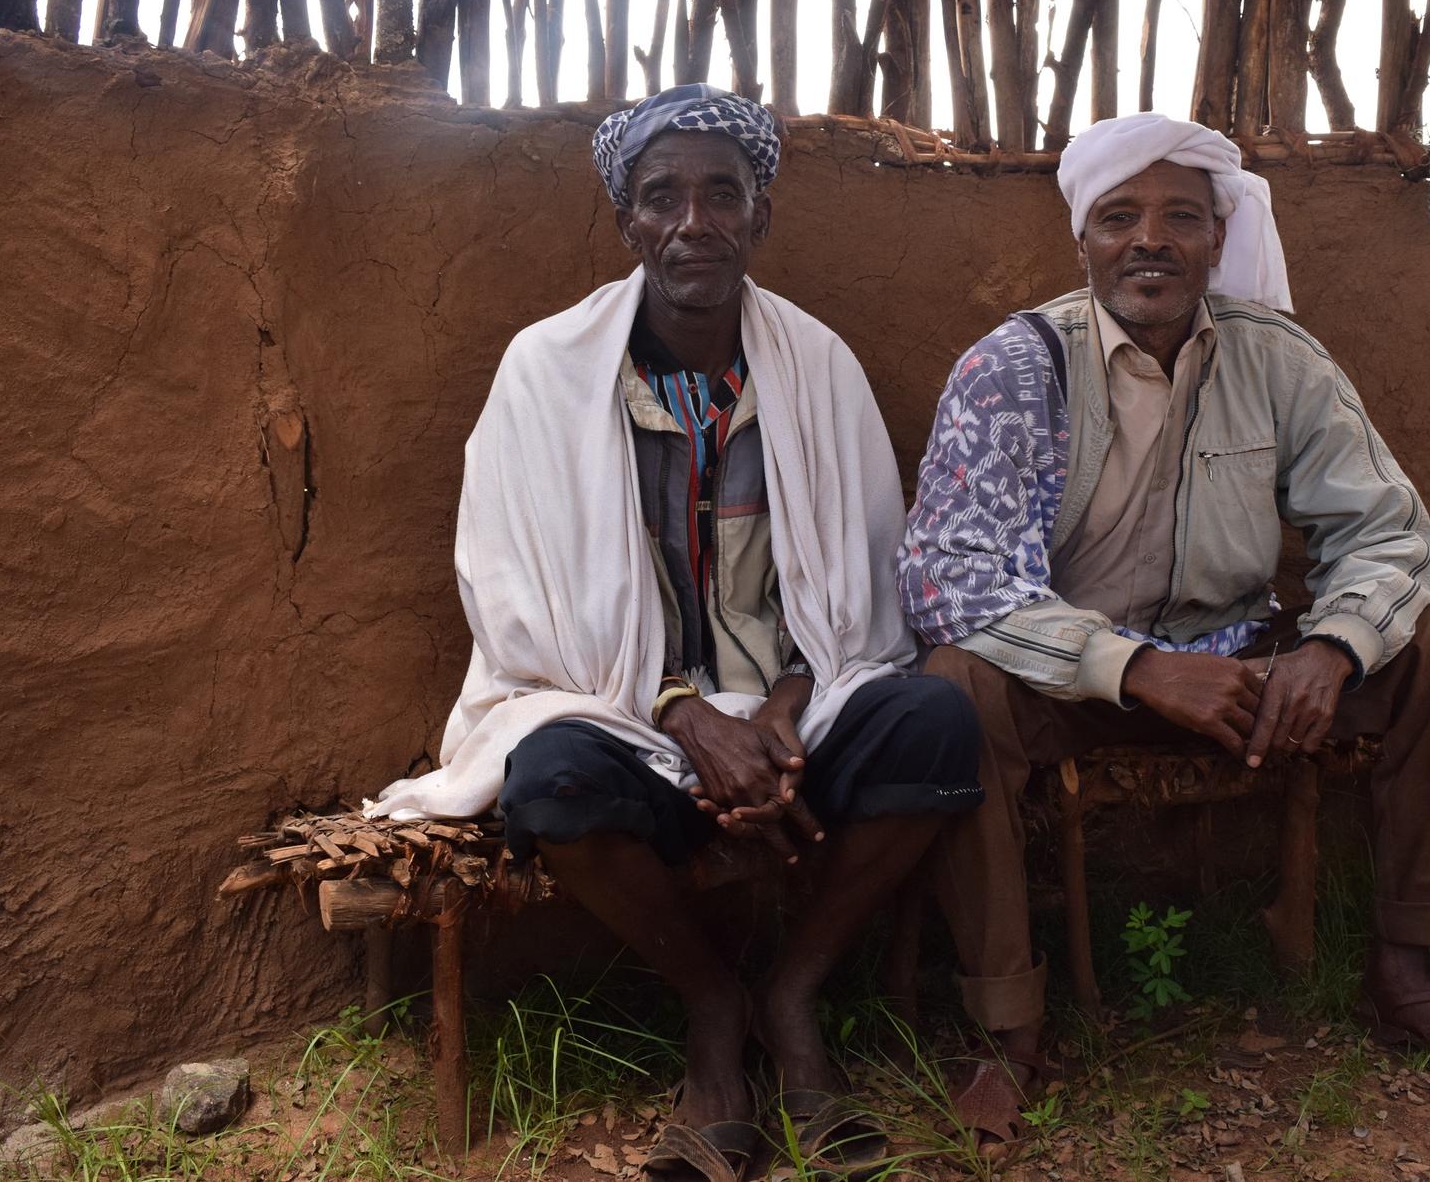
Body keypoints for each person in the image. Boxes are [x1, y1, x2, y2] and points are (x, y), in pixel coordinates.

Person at [372, 85, 982, 1182]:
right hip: (623, 714)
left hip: (799, 711)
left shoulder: (820, 365)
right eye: (664, 197)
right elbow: (515, 605)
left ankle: (792, 991)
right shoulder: (545, 373)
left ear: (761, 217)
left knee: (934, 720)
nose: (694, 222)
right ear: (627, 222)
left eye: (722, 195)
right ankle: (712, 1007)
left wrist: (785, 719)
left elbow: (856, 602)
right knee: (549, 779)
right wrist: (683, 714)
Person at [897, 111, 1430, 1150]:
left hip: (1243, 666)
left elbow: (1387, 530)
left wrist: (1332, 647)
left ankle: (1415, 974)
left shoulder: (1278, 359)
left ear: (1219, 239)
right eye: (1121, 217)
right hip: (1078, 683)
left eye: (1181, 217)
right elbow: (950, 576)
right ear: (1084, 239)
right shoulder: (1014, 368)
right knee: (955, 682)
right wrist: (1134, 669)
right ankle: (1004, 1025)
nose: (1151, 240)